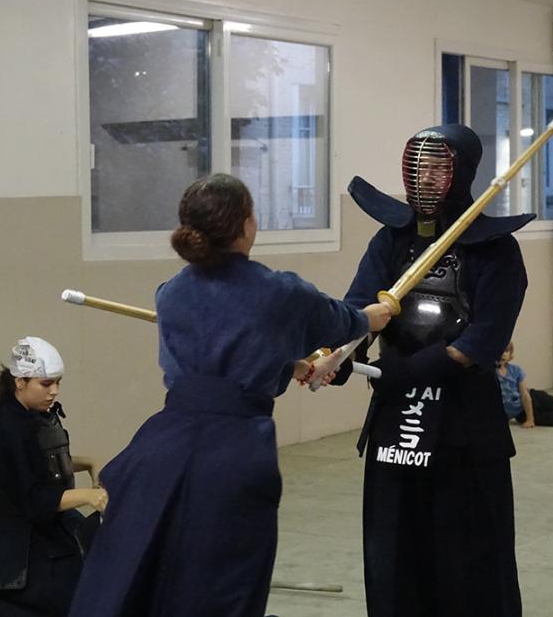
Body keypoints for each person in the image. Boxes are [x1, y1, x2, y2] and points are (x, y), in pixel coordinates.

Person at [67, 174, 393, 617]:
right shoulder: (280, 292)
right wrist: (374, 315)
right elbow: (341, 321)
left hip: (162, 446)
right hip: (231, 451)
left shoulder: (171, 293)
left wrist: (288, 364)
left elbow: (222, 356)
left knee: (142, 569)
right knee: (221, 584)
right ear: (246, 225)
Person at [341, 124, 528, 616]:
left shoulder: (497, 252)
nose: (425, 178)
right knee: (394, 552)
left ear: (461, 174)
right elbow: (360, 309)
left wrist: (410, 371)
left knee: (467, 560)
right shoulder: (391, 240)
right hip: (397, 427)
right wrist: (339, 354)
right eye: (419, 167)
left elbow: (481, 342)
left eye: (438, 168)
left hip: (464, 426)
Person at [0, 337, 107, 617]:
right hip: (22, 535)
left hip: (52, 525)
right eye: (46, 384)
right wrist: (89, 496)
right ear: (20, 382)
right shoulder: (5, 430)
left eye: (57, 382)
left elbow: (44, 464)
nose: (54, 391)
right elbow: (34, 499)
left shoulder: (36, 415)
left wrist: (90, 462)